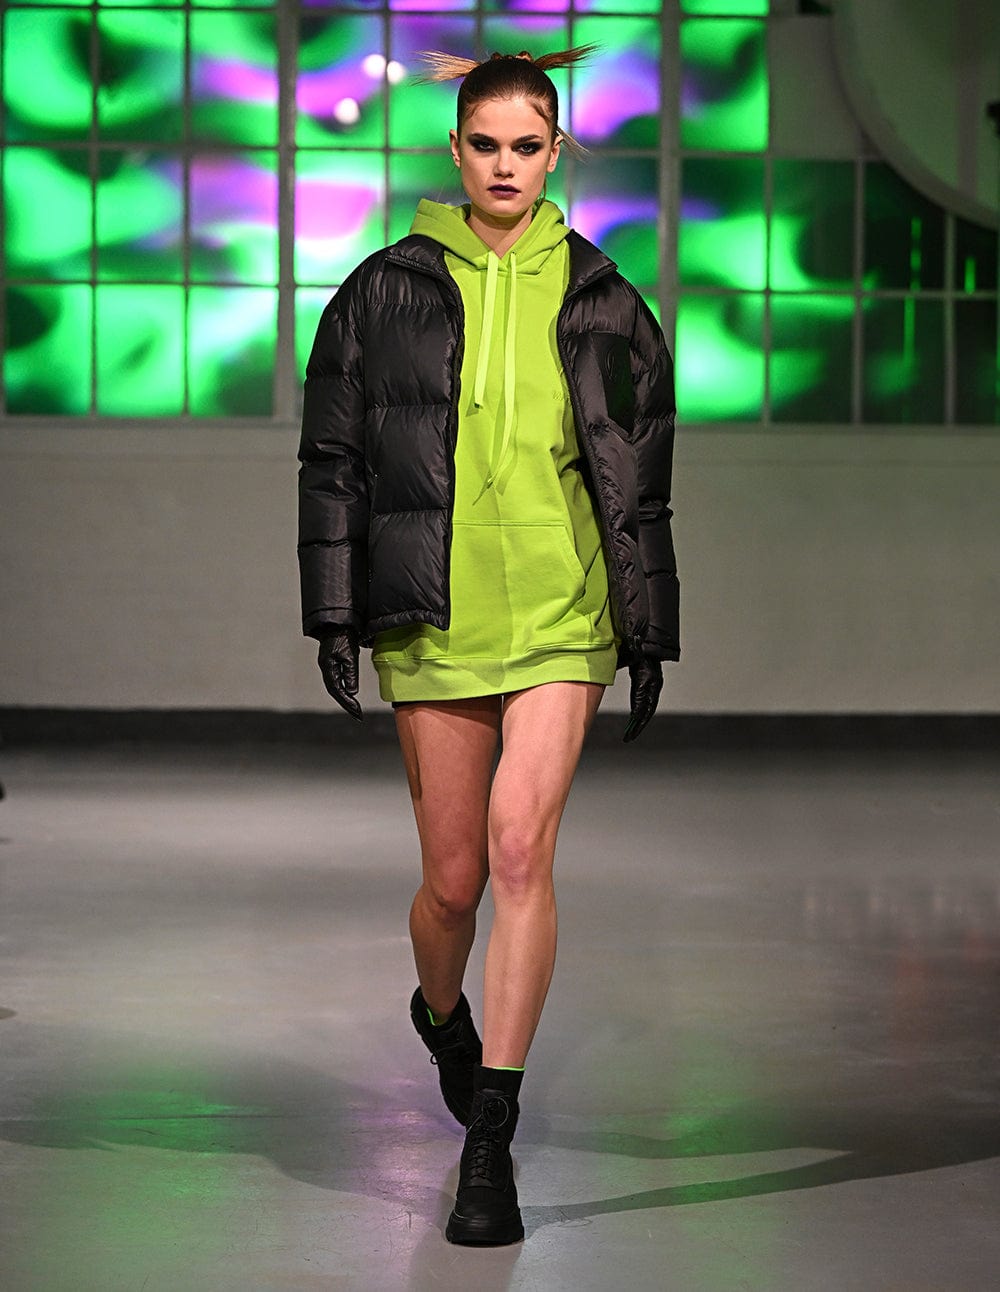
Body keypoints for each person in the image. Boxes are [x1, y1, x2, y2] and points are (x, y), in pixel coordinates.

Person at [297, 46, 679, 1246]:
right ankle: (440, 1012)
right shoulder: (378, 294)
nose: (505, 165)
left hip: (563, 615)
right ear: (453, 149)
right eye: (485, 144)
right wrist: (335, 609)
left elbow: (641, 486)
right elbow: (333, 464)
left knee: (522, 851)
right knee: (453, 882)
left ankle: (490, 1141)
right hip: (434, 611)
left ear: (556, 151)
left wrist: (645, 629)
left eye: (526, 146)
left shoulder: (608, 301)